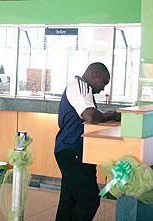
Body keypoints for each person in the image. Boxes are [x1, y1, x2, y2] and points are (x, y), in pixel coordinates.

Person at [54, 62, 121, 221]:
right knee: (89, 200)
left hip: (73, 151)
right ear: (95, 73)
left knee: (69, 200)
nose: (103, 88)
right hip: (72, 151)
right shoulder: (80, 86)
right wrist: (112, 115)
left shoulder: (85, 90)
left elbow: (89, 116)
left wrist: (106, 115)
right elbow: (90, 116)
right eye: (104, 82)